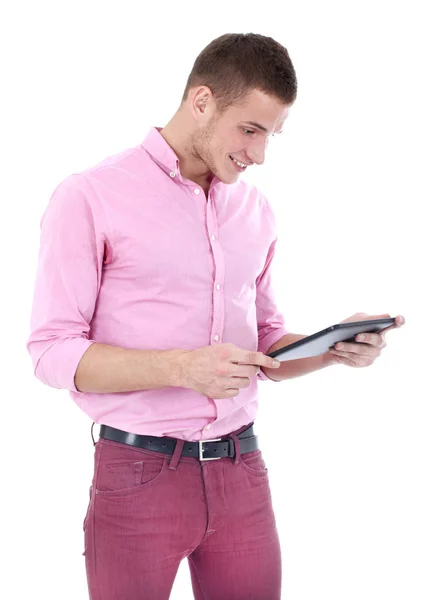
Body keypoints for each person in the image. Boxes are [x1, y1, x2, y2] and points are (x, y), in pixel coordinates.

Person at [26, 32, 404, 600]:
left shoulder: (254, 210)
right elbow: (52, 352)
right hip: (138, 472)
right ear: (201, 101)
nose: (259, 153)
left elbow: (267, 345)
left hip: (242, 471)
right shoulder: (90, 196)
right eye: (249, 130)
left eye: (271, 135)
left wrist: (331, 348)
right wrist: (182, 368)